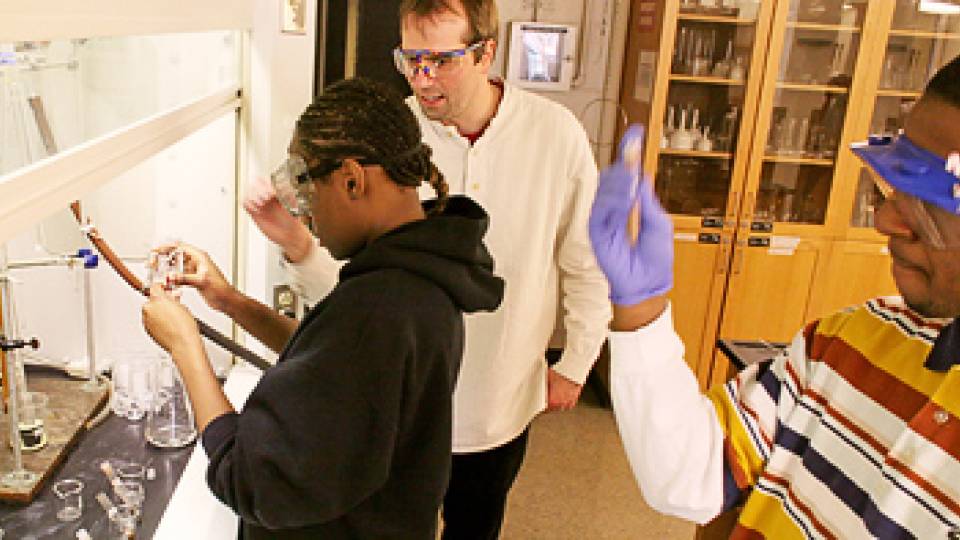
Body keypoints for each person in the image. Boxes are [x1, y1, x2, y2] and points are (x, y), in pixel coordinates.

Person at [244, 1, 611, 537]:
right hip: (396, 405)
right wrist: (297, 244)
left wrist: (577, 360)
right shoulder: (388, 136)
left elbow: (585, 257)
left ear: (486, 52)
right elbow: (353, 287)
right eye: (411, 59)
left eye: (440, 60)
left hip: (497, 402)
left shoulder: (556, 134)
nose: (422, 79)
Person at [588, 56, 960, 538]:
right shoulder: (849, 341)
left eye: (930, 203)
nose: (887, 221)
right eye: (896, 186)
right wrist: (640, 310)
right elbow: (692, 477)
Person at [140, 78, 505, 539]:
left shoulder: (379, 307)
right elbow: (333, 360)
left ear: (352, 179)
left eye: (306, 190)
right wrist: (228, 300)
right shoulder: (423, 274)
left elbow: (252, 481)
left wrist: (185, 348)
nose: (304, 214)